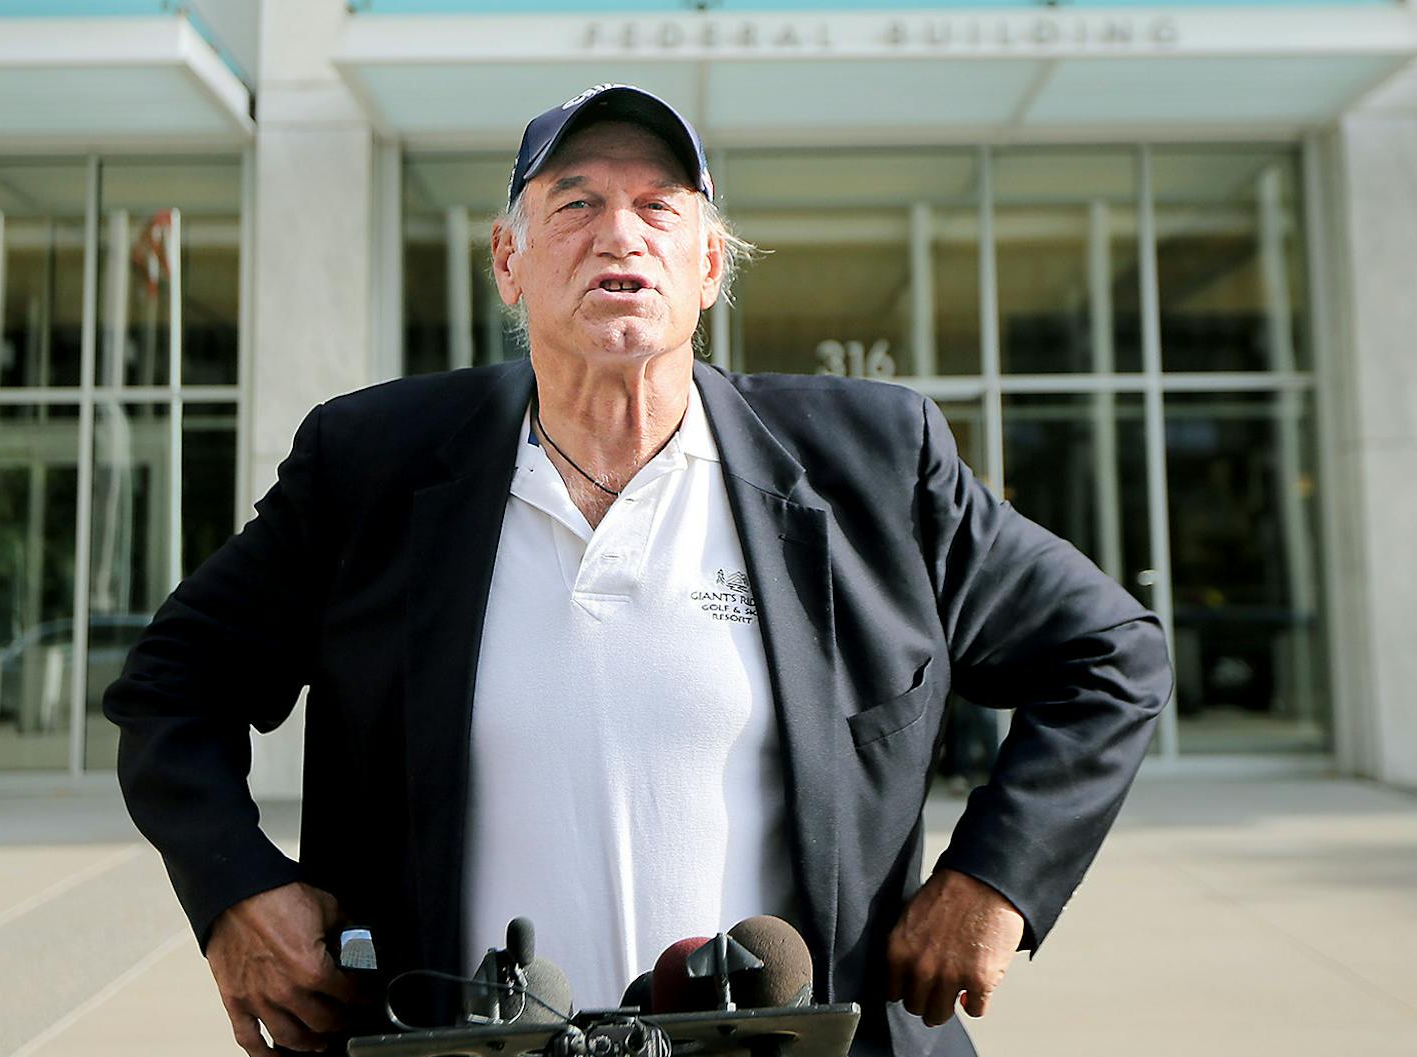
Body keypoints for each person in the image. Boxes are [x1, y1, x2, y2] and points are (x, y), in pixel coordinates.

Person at [104, 84, 1171, 1057]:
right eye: (571, 205)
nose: (619, 233)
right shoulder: (371, 466)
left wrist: (992, 879)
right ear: (508, 262)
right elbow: (171, 688)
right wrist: (236, 888)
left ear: (708, 268)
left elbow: (1108, 654)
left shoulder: (870, 462)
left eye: (660, 209)